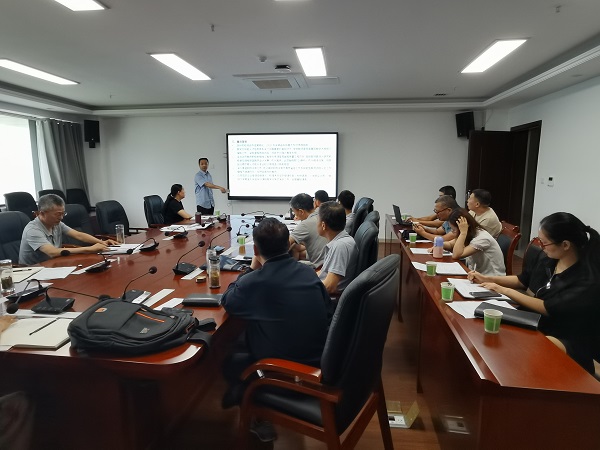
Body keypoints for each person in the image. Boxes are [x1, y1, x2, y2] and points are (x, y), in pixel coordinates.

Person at [220, 218, 330, 440]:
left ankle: (255, 410)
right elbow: (328, 310)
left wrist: (250, 269)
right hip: (320, 359)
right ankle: (243, 395)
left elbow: (228, 301)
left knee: (230, 357)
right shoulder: (308, 272)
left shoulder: (255, 281)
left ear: (256, 250)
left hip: (287, 372)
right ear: (288, 245)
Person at [468, 212, 600, 373]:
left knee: (514, 357)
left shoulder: (588, 279)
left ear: (565, 245)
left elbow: (549, 308)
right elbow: (522, 280)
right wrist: (488, 278)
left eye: (544, 243)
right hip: (534, 321)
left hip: (566, 338)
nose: (541, 247)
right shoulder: (549, 260)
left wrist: (502, 290)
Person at [19, 194, 118, 265]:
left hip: (53, 264)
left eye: (63, 213)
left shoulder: (57, 224)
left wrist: (102, 242)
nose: (61, 217)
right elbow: (52, 252)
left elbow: (79, 235)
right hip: (33, 272)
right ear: (42, 213)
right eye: (58, 214)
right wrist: (90, 249)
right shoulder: (33, 230)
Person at [437, 208, 505, 275]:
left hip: (491, 277)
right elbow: (450, 244)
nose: (452, 232)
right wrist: (438, 245)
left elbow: (456, 255)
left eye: (454, 230)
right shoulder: (470, 233)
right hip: (476, 274)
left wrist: (463, 233)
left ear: (465, 227)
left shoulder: (482, 238)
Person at [317, 201, 358, 294]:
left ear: (323, 225)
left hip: (326, 298)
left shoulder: (340, 246)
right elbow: (324, 272)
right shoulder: (340, 240)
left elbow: (329, 287)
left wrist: (305, 288)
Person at [288, 193, 327, 267]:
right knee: (295, 246)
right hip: (327, 261)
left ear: (301, 211)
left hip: (319, 267)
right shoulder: (321, 214)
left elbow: (285, 243)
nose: (294, 215)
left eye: (294, 212)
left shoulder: (305, 224)